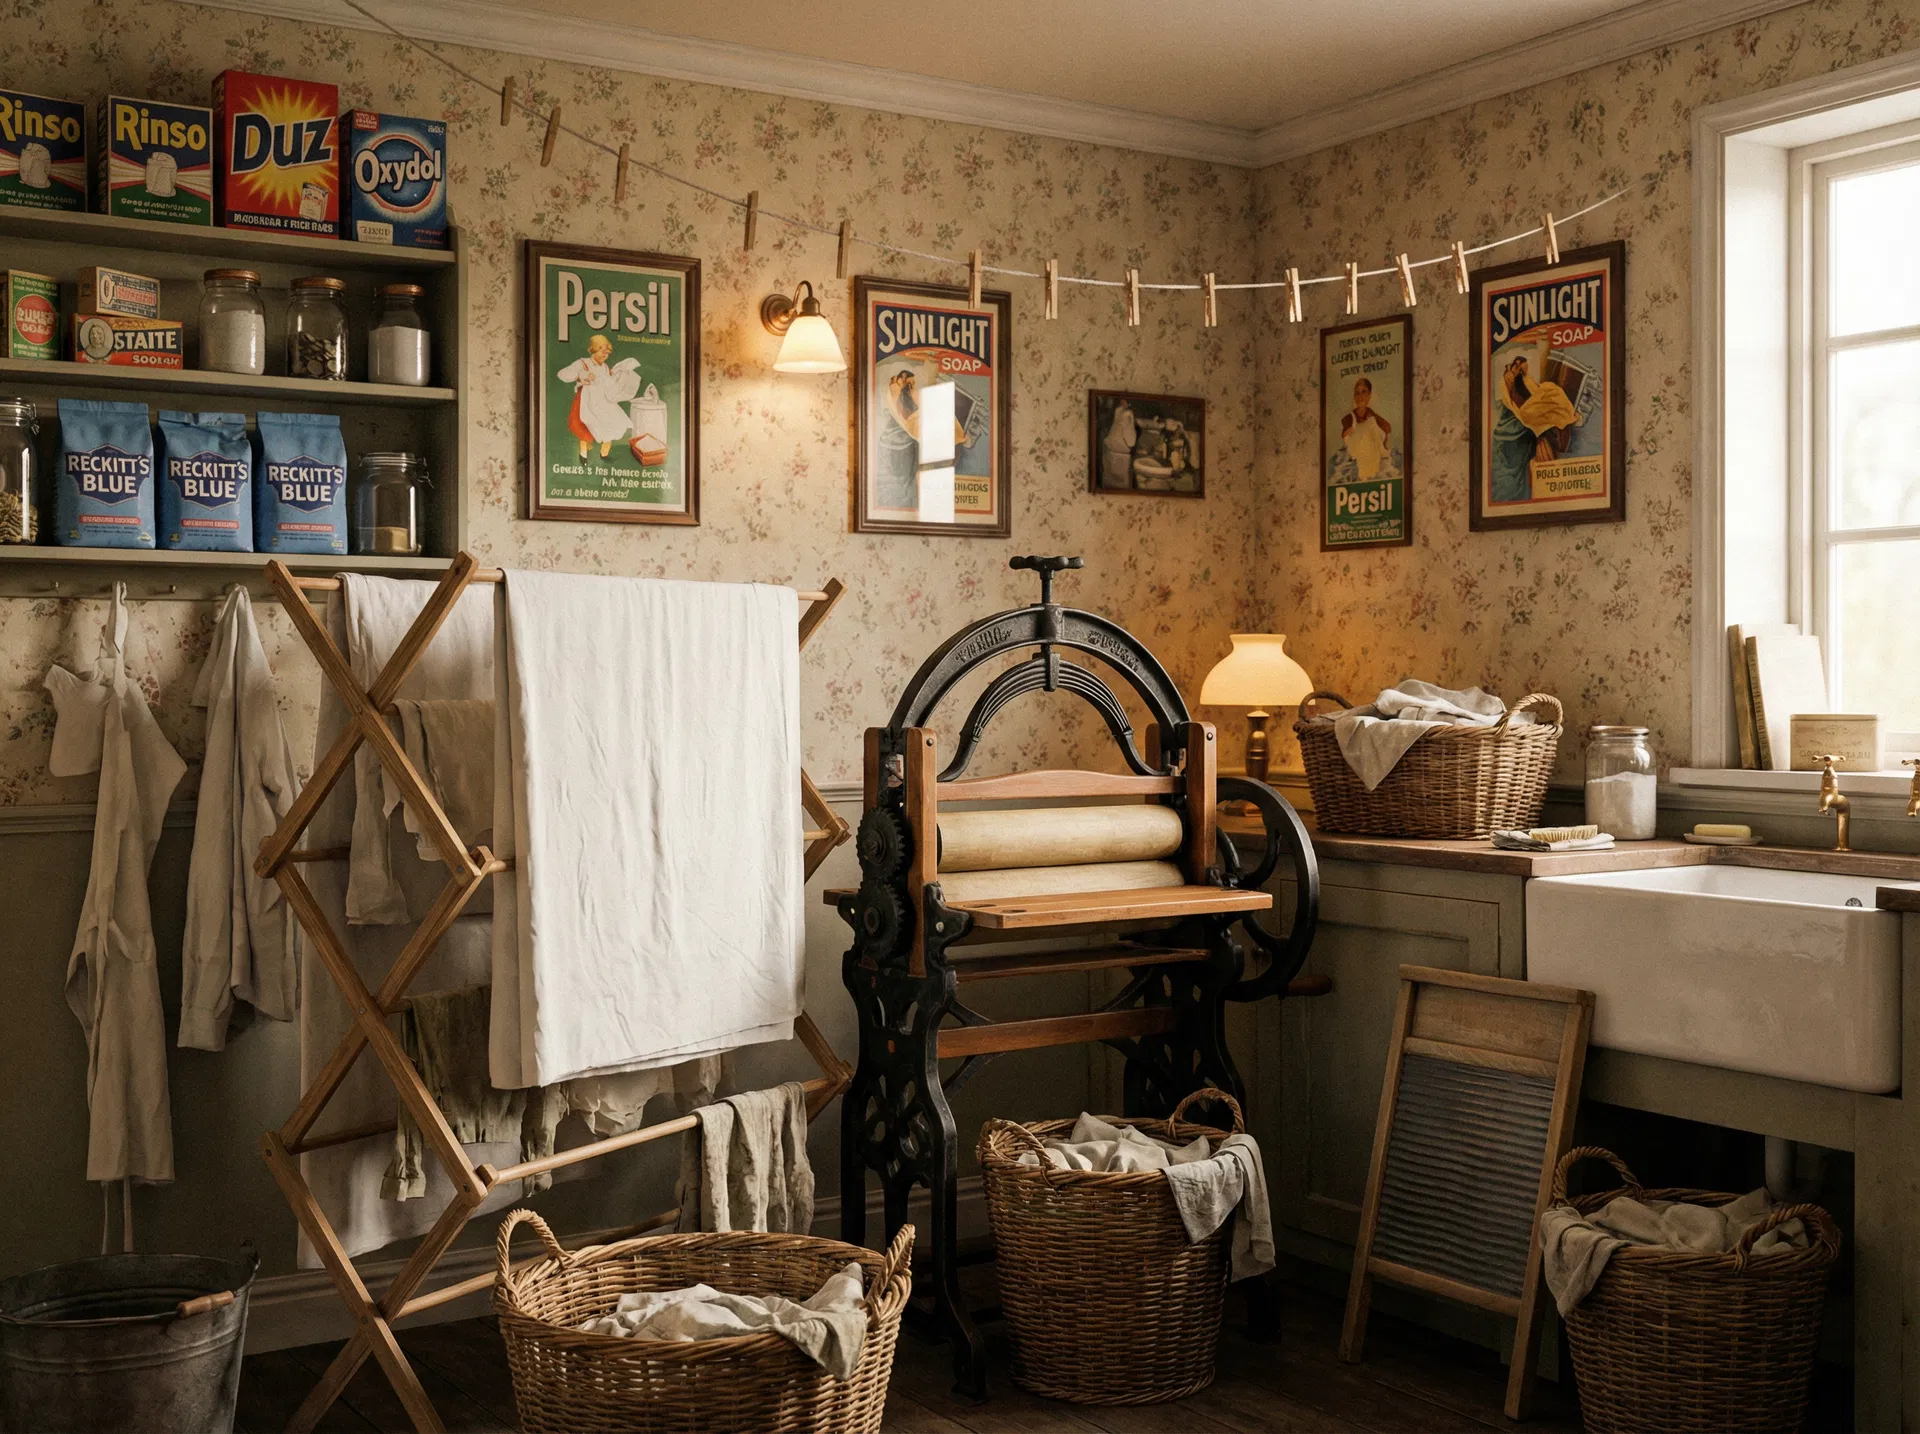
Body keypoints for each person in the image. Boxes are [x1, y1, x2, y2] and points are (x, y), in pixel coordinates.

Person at [557, 333, 642, 460]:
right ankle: (583, 456)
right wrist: (581, 374)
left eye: (607, 353)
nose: (604, 355)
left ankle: (604, 454)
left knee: (612, 424)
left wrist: (620, 375)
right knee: (586, 427)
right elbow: (562, 374)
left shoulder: (606, 367)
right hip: (586, 402)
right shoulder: (583, 363)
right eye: (601, 351)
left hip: (604, 402)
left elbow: (609, 384)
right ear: (593, 350)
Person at [1339, 377, 1392, 480]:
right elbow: (1345, 434)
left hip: (1372, 458)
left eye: (1364, 392)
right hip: (1355, 459)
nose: (1361, 396)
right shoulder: (1349, 417)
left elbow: (1387, 427)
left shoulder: (1371, 415)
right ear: (1354, 397)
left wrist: (1383, 437)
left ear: (1369, 395)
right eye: (1357, 393)